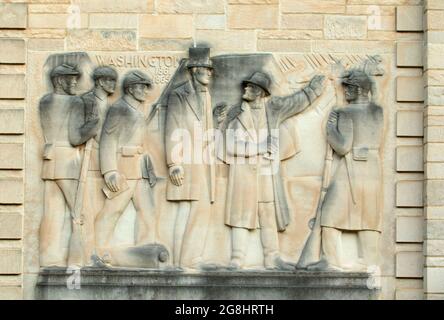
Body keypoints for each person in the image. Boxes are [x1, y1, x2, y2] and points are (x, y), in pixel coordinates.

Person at [223, 71, 326, 270]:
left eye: (251, 87)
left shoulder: (272, 108)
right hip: (243, 173)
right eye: (247, 86)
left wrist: (313, 89)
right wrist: (261, 147)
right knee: (241, 215)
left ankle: (272, 258)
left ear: (260, 93)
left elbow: (295, 102)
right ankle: (237, 259)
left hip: (266, 174)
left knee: (267, 213)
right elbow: (231, 146)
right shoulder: (236, 113)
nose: (246, 88)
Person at [315, 69, 384, 271]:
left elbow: (343, 146)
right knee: (369, 216)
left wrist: (330, 129)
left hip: (350, 167)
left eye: (349, 88)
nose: (345, 92)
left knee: (329, 215)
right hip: (372, 167)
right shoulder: (378, 111)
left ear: (359, 90)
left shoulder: (344, 112)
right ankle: (370, 261)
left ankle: (331, 261)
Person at [165, 47, 216, 268]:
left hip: (203, 161)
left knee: (200, 208)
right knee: (185, 209)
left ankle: (191, 258)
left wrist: (216, 119)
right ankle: (181, 261)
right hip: (185, 160)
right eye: (207, 69)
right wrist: (174, 163)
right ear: (195, 70)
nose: (210, 73)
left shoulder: (206, 95)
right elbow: (172, 128)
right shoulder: (179, 94)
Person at [95, 70, 156, 252]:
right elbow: (108, 140)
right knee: (113, 209)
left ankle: (145, 248)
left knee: (147, 210)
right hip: (123, 167)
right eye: (142, 88)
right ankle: (97, 249)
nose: (146, 92)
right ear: (130, 89)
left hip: (139, 167)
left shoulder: (138, 109)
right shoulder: (119, 108)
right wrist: (110, 171)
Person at [68, 66, 118, 265]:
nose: (114, 84)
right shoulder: (84, 101)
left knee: (102, 212)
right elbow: (74, 136)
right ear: (99, 81)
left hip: (108, 164)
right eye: (110, 80)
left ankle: (98, 250)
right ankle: (87, 256)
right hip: (88, 164)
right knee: (86, 213)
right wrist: (94, 127)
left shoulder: (112, 105)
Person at [39, 63, 84, 266]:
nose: (75, 81)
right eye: (70, 78)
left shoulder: (45, 101)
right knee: (77, 210)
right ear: (58, 80)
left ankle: (48, 257)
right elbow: (76, 137)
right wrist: (91, 127)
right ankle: (76, 260)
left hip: (50, 160)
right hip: (67, 161)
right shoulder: (75, 102)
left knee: (51, 212)